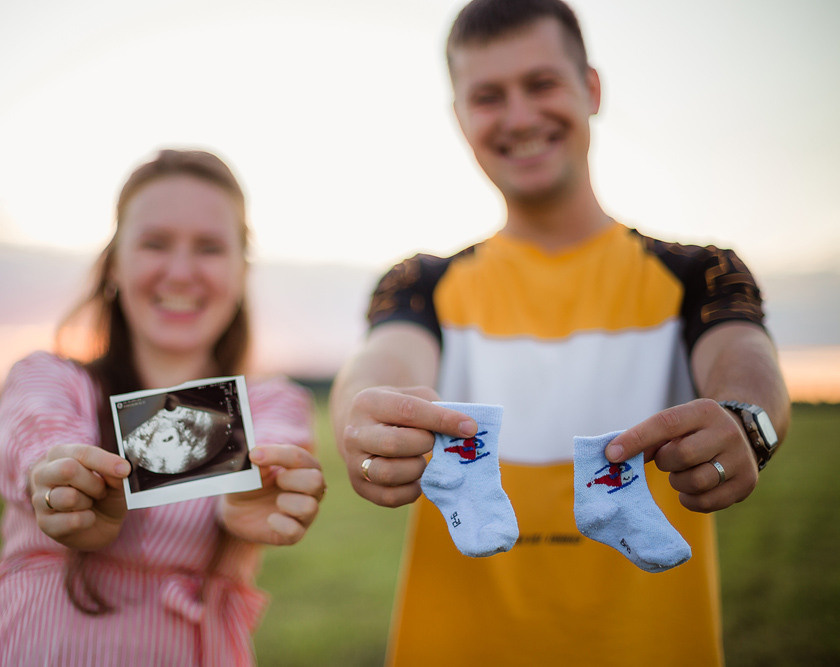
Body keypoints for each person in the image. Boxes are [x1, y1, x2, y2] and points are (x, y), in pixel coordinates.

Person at [329, 1, 790, 664]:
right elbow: (379, 361)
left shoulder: (700, 272)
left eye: (541, 84)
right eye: (488, 96)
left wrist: (747, 421)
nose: (518, 116)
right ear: (460, 118)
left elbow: (747, 361)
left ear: (592, 89)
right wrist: (360, 414)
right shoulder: (420, 282)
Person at [0, 149, 326, 666]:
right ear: (113, 263)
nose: (180, 273)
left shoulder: (271, 403)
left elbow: (273, 454)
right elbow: (33, 447)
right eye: (155, 243)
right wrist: (62, 483)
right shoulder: (54, 382)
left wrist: (252, 492)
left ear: (243, 272)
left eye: (210, 248)